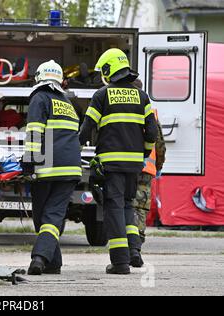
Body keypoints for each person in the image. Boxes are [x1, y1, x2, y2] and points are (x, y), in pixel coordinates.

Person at [79, 49, 158, 274]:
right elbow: (151, 133)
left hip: (111, 164)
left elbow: (87, 127)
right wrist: (142, 154)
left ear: (108, 70)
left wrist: (75, 149)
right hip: (134, 165)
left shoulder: (102, 95)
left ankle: (120, 262)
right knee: (127, 206)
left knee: (113, 208)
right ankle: (135, 252)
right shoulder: (142, 96)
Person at [22, 60, 82, 275]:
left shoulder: (39, 98)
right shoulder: (68, 103)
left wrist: (29, 161)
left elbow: (34, 131)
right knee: (51, 217)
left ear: (39, 77)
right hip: (70, 168)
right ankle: (52, 263)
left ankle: (38, 258)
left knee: (45, 217)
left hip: (47, 169)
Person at [131, 79, 166, 243]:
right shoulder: (150, 112)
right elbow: (160, 144)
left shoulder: (124, 110)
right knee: (140, 205)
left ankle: (126, 238)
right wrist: (159, 166)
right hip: (146, 169)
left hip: (125, 166)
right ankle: (138, 236)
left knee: (125, 204)